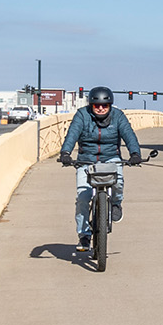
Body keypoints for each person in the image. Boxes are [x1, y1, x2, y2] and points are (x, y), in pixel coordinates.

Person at [58, 86, 143, 248]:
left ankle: (116, 203)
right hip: (86, 160)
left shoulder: (118, 116)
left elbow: (129, 134)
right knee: (83, 197)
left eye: (105, 105)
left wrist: (135, 154)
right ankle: (84, 234)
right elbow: (72, 134)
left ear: (110, 105)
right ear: (91, 105)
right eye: (97, 106)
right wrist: (66, 153)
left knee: (118, 183)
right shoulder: (82, 115)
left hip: (111, 158)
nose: (101, 109)